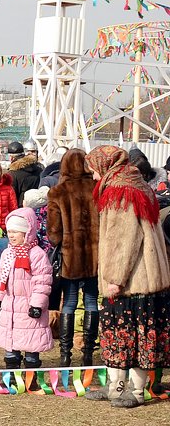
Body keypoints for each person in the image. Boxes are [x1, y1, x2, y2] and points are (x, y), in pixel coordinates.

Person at [83, 146, 170, 408]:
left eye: (94, 170)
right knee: (119, 334)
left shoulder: (121, 192)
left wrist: (116, 278)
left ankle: (135, 390)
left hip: (134, 279)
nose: (94, 176)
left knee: (130, 333)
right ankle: (115, 387)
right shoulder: (136, 184)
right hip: (141, 276)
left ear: (106, 165)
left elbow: (124, 241)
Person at [46, 149, 100, 367]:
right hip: (95, 257)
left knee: (68, 303)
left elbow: (53, 232)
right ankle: (88, 351)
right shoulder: (97, 190)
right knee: (91, 301)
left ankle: (65, 354)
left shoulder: (57, 192)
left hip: (70, 256)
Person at [0, 208, 54, 370]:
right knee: (10, 343)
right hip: (10, 308)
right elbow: (0, 278)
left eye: (16, 232)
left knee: (31, 342)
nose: (11, 236)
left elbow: (43, 282)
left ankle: (30, 374)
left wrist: (37, 305)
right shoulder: (8, 253)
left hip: (28, 308)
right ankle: (12, 374)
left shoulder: (36, 254)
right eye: (9, 232)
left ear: (27, 232)